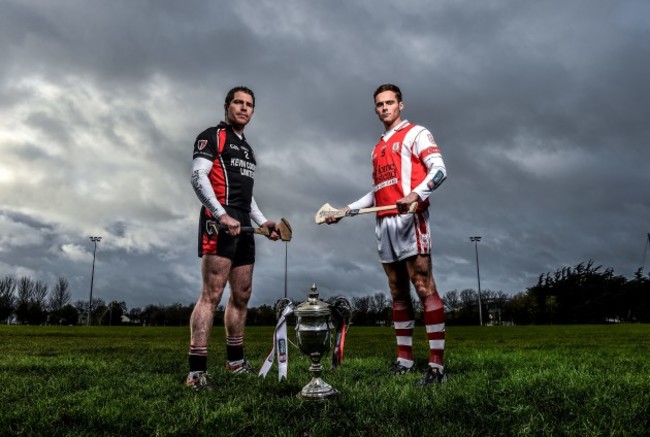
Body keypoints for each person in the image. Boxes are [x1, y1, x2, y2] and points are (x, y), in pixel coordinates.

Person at [325, 83, 448, 385]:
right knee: (397, 291)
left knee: (423, 285)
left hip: (409, 219)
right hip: (384, 223)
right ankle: (404, 361)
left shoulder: (417, 134)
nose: (384, 108)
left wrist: (416, 195)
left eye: (390, 103)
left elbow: (439, 170)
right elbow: (378, 192)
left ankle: (436, 367)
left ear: (400, 105)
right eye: (379, 104)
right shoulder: (378, 147)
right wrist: (346, 210)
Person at [186, 86, 279, 391]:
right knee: (211, 294)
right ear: (227, 106)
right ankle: (196, 373)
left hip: (242, 222)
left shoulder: (248, 149)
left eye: (249, 105)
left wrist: (263, 222)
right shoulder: (213, 136)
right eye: (238, 103)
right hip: (219, 220)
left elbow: (247, 197)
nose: (243, 108)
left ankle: (235, 363)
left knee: (242, 294)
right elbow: (198, 177)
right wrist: (219, 214)